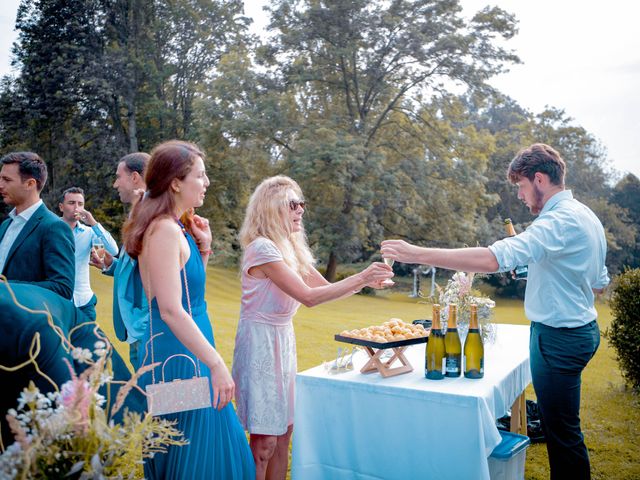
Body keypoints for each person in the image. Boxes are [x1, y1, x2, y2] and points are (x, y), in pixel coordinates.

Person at [381, 143, 609, 480]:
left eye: (521, 186)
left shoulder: (558, 221)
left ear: (540, 179)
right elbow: (597, 282)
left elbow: (492, 258)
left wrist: (418, 253)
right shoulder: (584, 215)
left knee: (562, 435)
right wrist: (538, 270)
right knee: (562, 428)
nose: (519, 195)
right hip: (581, 331)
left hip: (559, 339)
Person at [232, 175, 394, 480]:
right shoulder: (263, 249)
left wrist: (367, 281)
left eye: (301, 204)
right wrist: (361, 277)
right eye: (293, 204)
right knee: (265, 441)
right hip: (260, 345)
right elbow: (308, 298)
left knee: (284, 434)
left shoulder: (289, 247)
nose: (301, 210)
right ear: (272, 208)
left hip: (283, 340)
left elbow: (326, 289)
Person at [122, 140, 255, 478]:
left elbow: (188, 295)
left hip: (187, 348)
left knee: (199, 449)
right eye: (200, 175)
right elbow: (170, 309)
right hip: (178, 361)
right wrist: (216, 363)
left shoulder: (175, 226)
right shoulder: (164, 230)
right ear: (176, 182)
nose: (206, 182)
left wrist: (205, 250)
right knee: (196, 454)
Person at [0, 279, 145, 450]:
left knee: (79, 438)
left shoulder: (33, 328)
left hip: (77, 348)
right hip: (25, 344)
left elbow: (62, 404)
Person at [92, 152, 150, 367]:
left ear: (135, 177)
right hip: (138, 332)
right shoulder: (138, 215)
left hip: (148, 331)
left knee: (160, 397)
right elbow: (137, 270)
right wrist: (110, 264)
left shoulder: (153, 218)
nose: (115, 184)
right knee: (149, 397)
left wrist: (145, 327)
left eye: (119, 176)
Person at [0, 152, 75, 299]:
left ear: (30, 184)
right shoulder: (5, 224)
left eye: (6, 180)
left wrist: (5, 288)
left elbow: (62, 288)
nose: (0, 185)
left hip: (26, 320)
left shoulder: (54, 227)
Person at [59, 186, 118, 321]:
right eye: (71, 203)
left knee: (86, 342)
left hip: (84, 302)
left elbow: (114, 250)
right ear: (61, 207)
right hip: (57, 300)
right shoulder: (50, 229)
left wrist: (93, 222)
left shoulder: (90, 233)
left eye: (80, 204)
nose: (77, 208)